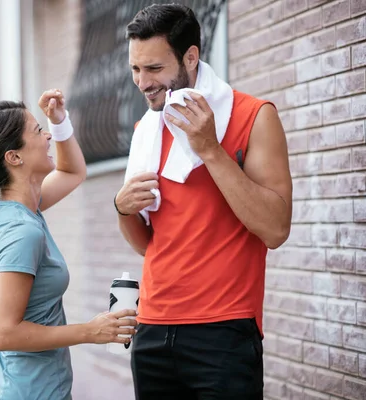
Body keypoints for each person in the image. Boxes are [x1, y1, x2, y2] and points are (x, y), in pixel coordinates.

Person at [114, 4, 292, 400]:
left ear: (190, 57)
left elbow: (276, 229)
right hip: (153, 328)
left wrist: (210, 149)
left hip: (223, 331)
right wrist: (122, 209)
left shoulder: (253, 116)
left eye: (155, 69)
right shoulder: (147, 129)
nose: (142, 83)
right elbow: (150, 243)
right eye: (135, 70)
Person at [0, 89, 138, 400]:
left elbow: (73, 172)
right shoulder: (21, 232)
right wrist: (91, 331)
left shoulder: (15, 210)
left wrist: (59, 121)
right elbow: (5, 333)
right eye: (38, 131)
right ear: (14, 157)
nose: (48, 136)